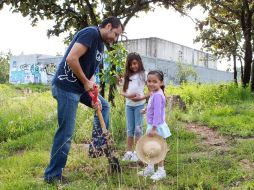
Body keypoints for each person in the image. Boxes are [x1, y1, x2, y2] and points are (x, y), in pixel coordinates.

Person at [44, 16, 124, 183]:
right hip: (66, 87)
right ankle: (52, 176)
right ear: (108, 26)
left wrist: (92, 88)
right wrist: (86, 81)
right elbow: (71, 58)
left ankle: (97, 146)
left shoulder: (100, 46)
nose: (115, 39)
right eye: (115, 34)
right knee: (66, 132)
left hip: (80, 87)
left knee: (104, 106)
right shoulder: (90, 33)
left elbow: (90, 71)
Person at [138, 70, 171, 181]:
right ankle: (150, 167)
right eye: (149, 81)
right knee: (151, 148)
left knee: (159, 149)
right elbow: (153, 107)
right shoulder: (154, 93)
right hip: (153, 125)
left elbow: (158, 113)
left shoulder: (157, 95)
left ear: (161, 83)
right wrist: (146, 109)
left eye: (154, 81)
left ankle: (161, 171)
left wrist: (154, 128)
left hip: (156, 127)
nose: (151, 84)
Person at [120, 52, 148, 162]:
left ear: (139, 62)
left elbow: (151, 91)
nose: (133, 66)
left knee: (138, 130)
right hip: (129, 106)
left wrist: (141, 98)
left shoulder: (144, 74)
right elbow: (122, 92)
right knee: (130, 130)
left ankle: (137, 152)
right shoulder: (127, 76)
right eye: (131, 64)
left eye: (135, 63)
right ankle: (128, 152)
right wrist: (129, 96)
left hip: (139, 106)